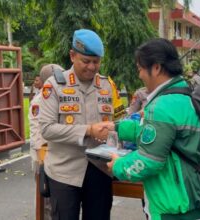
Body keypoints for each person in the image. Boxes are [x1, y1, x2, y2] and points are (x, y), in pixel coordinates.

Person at [107, 38, 200, 220]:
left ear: (156, 68)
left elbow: (149, 161)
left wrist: (118, 166)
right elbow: (165, 136)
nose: (139, 75)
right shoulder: (189, 94)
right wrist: (117, 128)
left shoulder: (161, 106)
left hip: (179, 208)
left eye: (139, 69)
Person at [39, 29, 115, 220]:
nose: (91, 67)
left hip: (99, 170)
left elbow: (116, 123)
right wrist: (88, 130)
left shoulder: (106, 86)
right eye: (86, 61)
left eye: (96, 62)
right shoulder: (54, 85)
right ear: (72, 56)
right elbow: (47, 129)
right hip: (65, 172)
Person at [29, 64, 64, 220]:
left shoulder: (60, 97)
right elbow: (37, 131)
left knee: (59, 199)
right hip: (43, 155)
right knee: (45, 200)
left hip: (58, 155)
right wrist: (42, 159)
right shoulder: (39, 100)